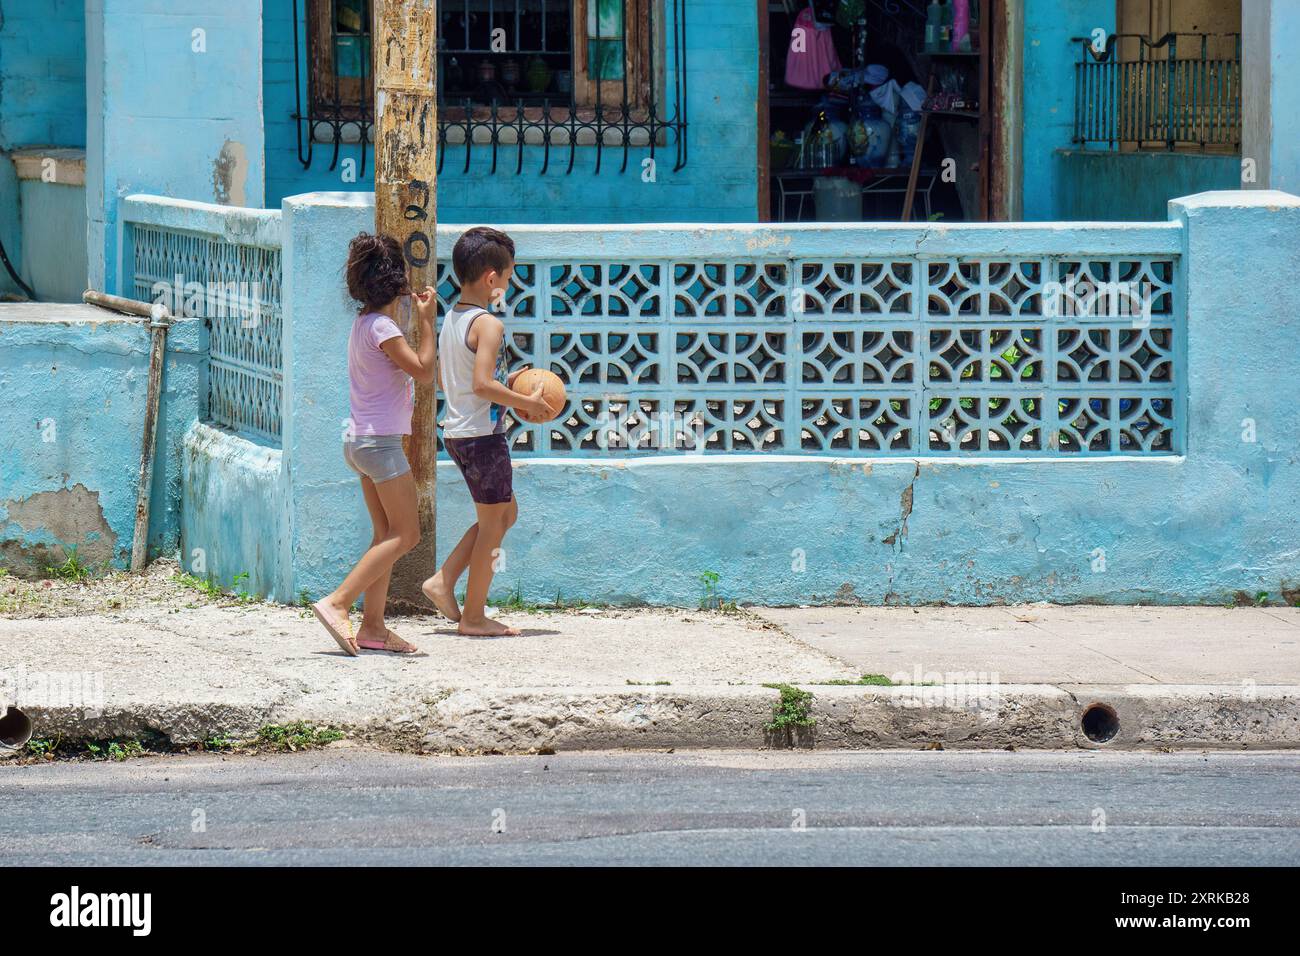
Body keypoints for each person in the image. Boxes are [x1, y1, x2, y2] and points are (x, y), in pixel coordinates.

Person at [421, 227, 550, 637]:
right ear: (492, 278)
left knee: (504, 514)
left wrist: (508, 380)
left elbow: (455, 381)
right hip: (481, 436)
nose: (508, 284)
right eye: (509, 276)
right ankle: (474, 617)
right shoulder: (489, 324)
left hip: (459, 431)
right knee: (494, 525)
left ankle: (443, 581)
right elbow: (480, 385)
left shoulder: (453, 319)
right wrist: (526, 402)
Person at [312, 233, 437, 656]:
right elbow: (422, 371)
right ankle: (338, 602)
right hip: (381, 447)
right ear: (397, 282)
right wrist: (426, 321)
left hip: (360, 444)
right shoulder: (383, 327)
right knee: (407, 534)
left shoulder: (362, 323)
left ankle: (373, 627)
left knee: (384, 532)